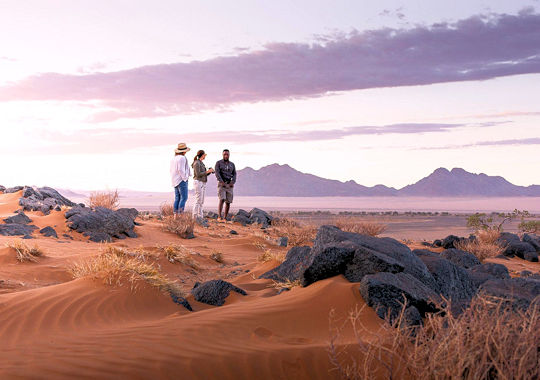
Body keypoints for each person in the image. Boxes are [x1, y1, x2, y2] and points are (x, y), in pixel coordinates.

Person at [191, 150, 214, 219]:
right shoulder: (196, 163)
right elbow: (198, 174)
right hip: (198, 182)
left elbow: (204, 174)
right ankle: (194, 217)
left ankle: (200, 216)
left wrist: (209, 172)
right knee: (198, 200)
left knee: (201, 201)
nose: (205, 156)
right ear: (202, 155)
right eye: (204, 155)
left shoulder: (201, 163)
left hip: (202, 182)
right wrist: (207, 171)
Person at [215, 149, 236, 222]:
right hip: (222, 184)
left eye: (227, 154)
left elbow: (234, 174)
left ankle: (225, 217)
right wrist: (221, 182)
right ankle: (219, 216)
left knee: (228, 201)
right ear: (222, 155)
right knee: (222, 199)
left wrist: (232, 182)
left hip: (229, 184)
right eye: (224, 154)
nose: (226, 156)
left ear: (229, 155)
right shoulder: (219, 163)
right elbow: (217, 173)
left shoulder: (232, 164)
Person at [170, 143, 191, 215]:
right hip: (181, 180)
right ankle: (180, 215)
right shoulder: (182, 158)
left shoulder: (174, 158)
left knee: (177, 198)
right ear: (184, 151)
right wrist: (185, 178)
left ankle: (175, 215)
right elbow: (181, 169)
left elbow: (171, 170)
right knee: (184, 198)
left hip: (175, 180)